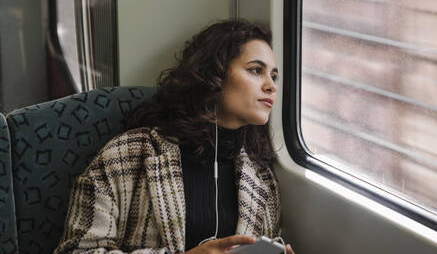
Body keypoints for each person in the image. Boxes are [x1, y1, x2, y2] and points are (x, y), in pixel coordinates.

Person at [54, 20, 295, 254]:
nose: (271, 86)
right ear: (215, 74)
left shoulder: (260, 178)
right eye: (256, 70)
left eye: (273, 76)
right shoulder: (128, 155)